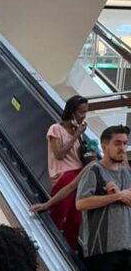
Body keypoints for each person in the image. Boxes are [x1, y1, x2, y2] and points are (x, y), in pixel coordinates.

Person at [75, 124, 131, 271]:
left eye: (125, 143)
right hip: (100, 248)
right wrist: (117, 196)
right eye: (117, 143)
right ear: (104, 146)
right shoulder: (95, 171)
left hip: (125, 245)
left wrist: (119, 195)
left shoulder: (126, 173)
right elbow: (81, 203)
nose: (122, 148)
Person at [46, 95, 92, 249]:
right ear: (71, 111)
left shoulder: (78, 132)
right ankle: (51, 245)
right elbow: (59, 154)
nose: (83, 116)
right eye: (81, 112)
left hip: (80, 173)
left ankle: (69, 250)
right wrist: (76, 135)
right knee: (59, 213)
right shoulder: (55, 129)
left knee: (75, 219)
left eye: (85, 112)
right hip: (64, 175)